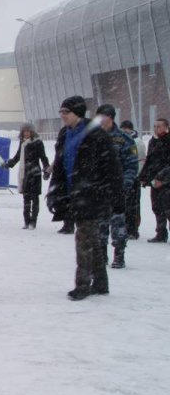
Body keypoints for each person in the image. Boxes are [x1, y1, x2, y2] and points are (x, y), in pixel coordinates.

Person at [46, 96, 123, 301]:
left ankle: (82, 284)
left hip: (92, 194)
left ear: (78, 113)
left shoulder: (96, 135)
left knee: (84, 239)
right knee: (91, 240)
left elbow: (112, 167)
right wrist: (54, 192)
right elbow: (60, 165)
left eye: (66, 112)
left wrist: (114, 196)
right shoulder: (65, 134)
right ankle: (100, 282)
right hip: (73, 194)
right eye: (61, 112)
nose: (62, 116)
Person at [95, 105, 138, 268]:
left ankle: (119, 255)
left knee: (118, 223)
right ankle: (101, 255)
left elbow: (131, 165)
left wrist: (125, 184)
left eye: (102, 117)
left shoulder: (124, 139)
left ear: (110, 118)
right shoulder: (94, 137)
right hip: (99, 188)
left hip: (117, 189)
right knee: (100, 224)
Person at [6, 124, 50, 229]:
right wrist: (9, 163)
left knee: (34, 198)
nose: (26, 133)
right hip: (25, 173)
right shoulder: (22, 143)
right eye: (24, 131)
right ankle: (27, 221)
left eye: (28, 131)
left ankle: (33, 222)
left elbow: (43, 157)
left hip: (34, 173)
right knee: (26, 198)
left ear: (32, 132)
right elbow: (18, 156)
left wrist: (46, 169)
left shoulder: (37, 142)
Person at [138, 118, 169, 242]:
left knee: (168, 209)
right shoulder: (153, 141)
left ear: (166, 127)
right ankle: (161, 233)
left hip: (166, 181)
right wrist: (143, 176)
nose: (156, 129)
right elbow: (150, 161)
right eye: (155, 126)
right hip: (154, 180)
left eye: (159, 126)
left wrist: (163, 179)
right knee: (157, 208)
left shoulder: (168, 141)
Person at [119, 120, 144, 239]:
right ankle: (125, 228)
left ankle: (133, 229)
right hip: (124, 177)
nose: (124, 132)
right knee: (124, 205)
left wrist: (138, 175)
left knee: (133, 206)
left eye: (125, 129)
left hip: (134, 177)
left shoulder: (137, 142)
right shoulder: (121, 141)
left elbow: (139, 160)